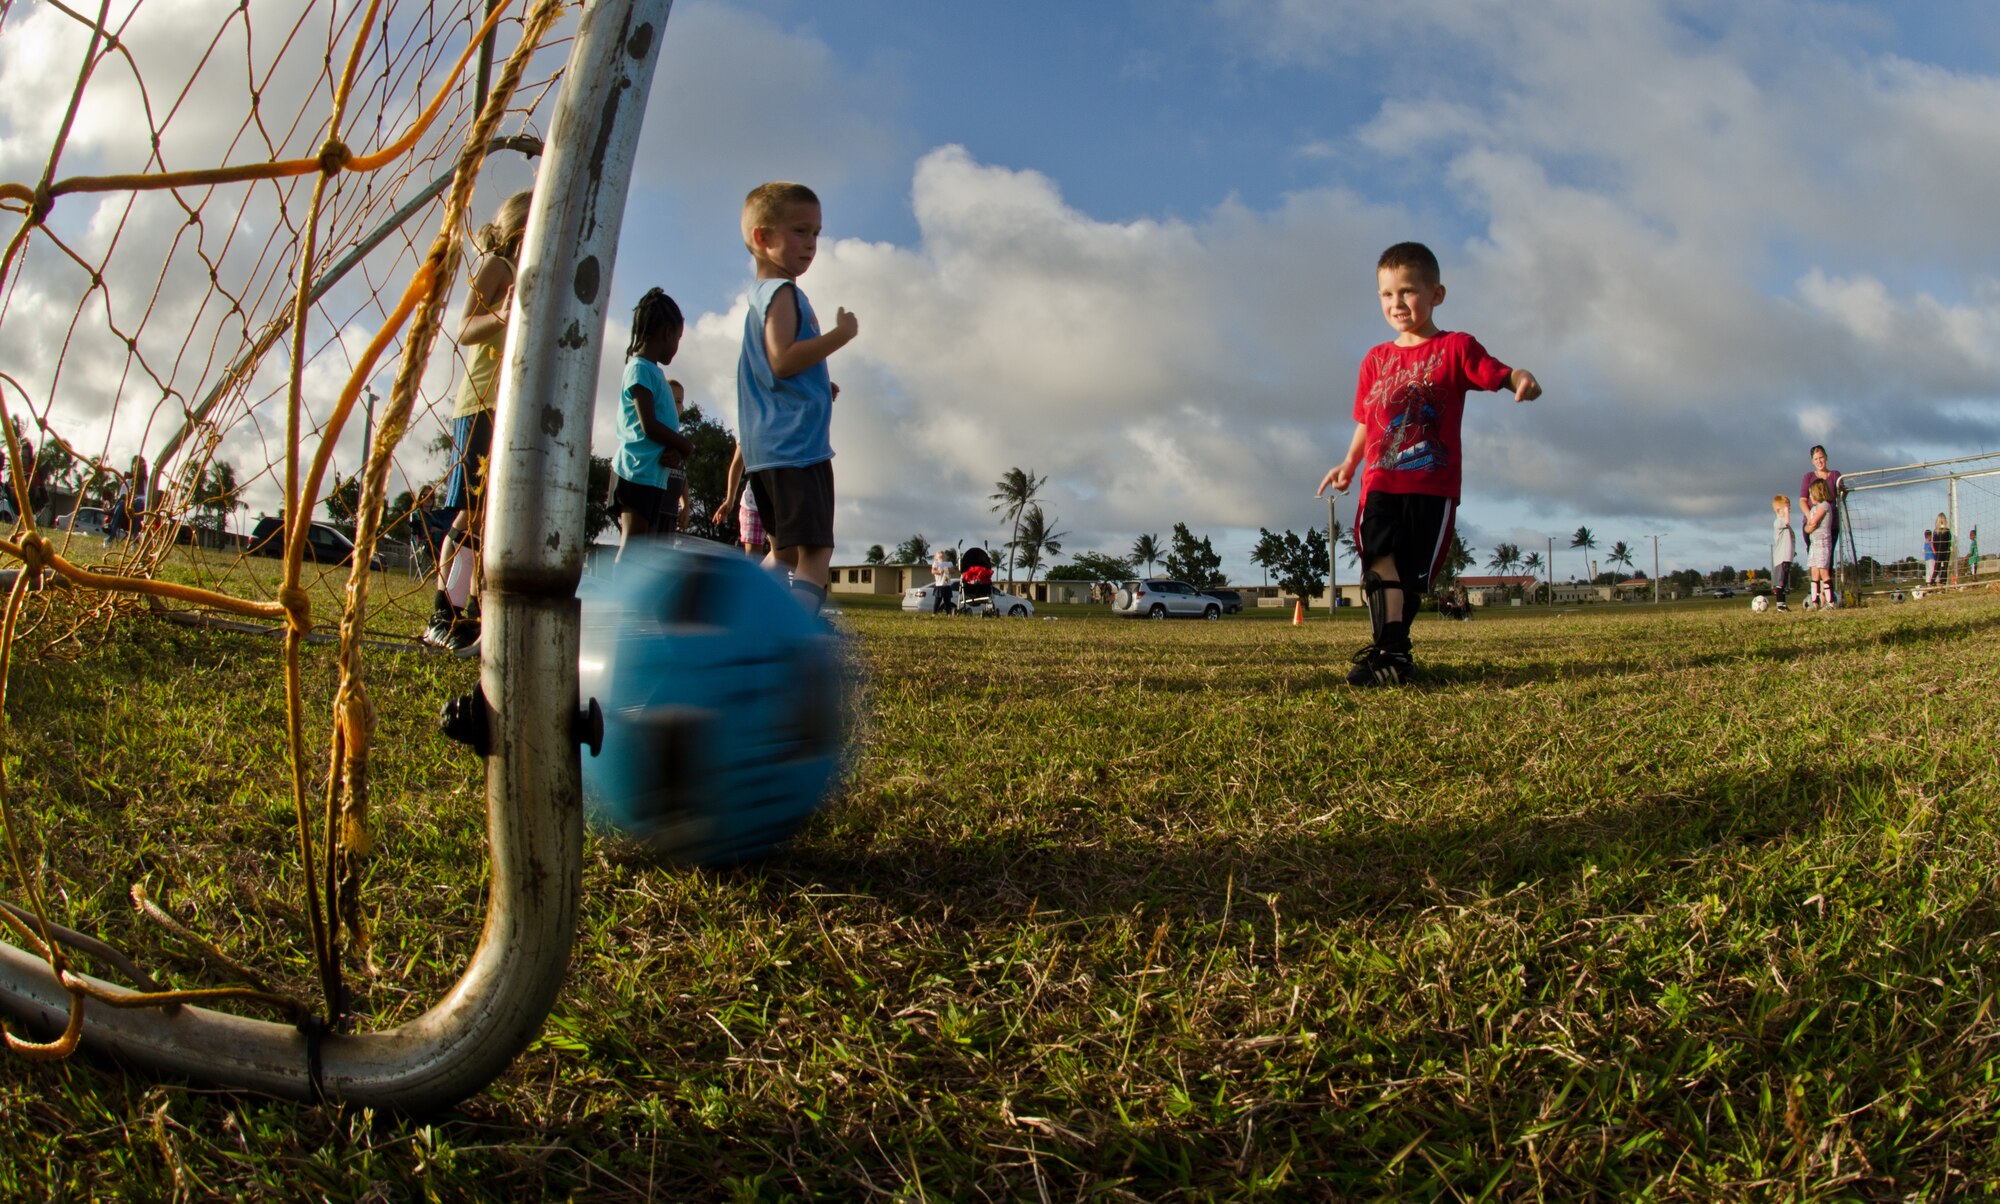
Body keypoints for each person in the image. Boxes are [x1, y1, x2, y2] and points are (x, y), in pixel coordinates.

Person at [1316, 241, 1540, 685]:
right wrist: (1349, 462)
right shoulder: (1376, 359)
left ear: (1436, 294)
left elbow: (1497, 371)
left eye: (1407, 291)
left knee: (1412, 579)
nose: (1397, 303)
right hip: (1381, 481)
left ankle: (1392, 654)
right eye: (1386, 294)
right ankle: (1393, 656)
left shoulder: (1456, 348)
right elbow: (1368, 419)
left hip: (1432, 484)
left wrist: (1521, 378)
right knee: (1378, 558)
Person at [735, 181, 857, 616]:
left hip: (767, 452)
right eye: (801, 231)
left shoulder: (758, 297)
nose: (811, 244)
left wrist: (819, 386)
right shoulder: (783, 293)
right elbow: (782, 359)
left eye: (816, 234)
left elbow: (773, 373)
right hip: (797, 449)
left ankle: (735, 612)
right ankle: (792, 637)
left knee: (783, 553)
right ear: (763, 238)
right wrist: (840, 336)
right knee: (816, 555)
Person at [423, 190, 530, 652]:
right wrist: (503, 314)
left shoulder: (522, 276)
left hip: (501, 406)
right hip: (478, 405)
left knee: (487, 519)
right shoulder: (498, 266)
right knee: (471, 513)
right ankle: (440, 615)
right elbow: (464, 328)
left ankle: (466, 615)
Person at [608, 288, 694, 556]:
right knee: (633, 546)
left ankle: (632, 598)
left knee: (642, 549)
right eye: (678, 338)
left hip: (651, 476)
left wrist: (675, 452)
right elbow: (649, 425)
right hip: (635, 472)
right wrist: (685, 445)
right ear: (667, 332)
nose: (677, 347)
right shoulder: (639, 369)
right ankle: (621, 599)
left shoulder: (654, 372)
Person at [1799, 445, 1842, 600]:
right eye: (1816, 459)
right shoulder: (1809, 477)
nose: (1819, 461)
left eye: (1821, 457)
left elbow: (1840, 496)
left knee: (1826, 562)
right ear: (1812, 461)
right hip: (1812, 524)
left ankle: (1827, 597)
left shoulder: (1835, 475)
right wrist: (1810, 519)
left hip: (1829, 526)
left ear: (1826, 457)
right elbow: (1803, 500)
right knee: (1815, 564)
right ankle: (1815, 598)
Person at [1803, 480, 1833, 607]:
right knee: (1814, 572)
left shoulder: (1825, 505)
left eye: (1811, 494)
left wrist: (1809, 527)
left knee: (1823, 572)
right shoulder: (1813, 509)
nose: (1810, 497)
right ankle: (1815, 602)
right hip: (1814, 544)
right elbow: (1807, 526)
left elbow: (1813, 523)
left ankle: (1830, 602)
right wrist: (1808, 528)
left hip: (1823, 544)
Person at [1769, 494, 1795, 612]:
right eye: (1787, 508)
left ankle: (1783, 604)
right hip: (1781, 558)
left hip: (1787, 557)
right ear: (1778, 510)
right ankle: (1780, 605)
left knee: (1784, 583)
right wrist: (1785, 513)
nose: (1789, 511)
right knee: (1780, 583)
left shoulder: (1786, 525)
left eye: (1789, 509)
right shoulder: (1778, 522)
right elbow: (1787, 521)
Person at [1931, 512, 1953, 587]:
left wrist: (1936, 552)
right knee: (1944, 568)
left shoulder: (1935, 532)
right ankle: (1942, 583)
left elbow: (1934, 543)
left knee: (1936, 568)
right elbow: (1949, 542)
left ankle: (1932, 582)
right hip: (1946, 552)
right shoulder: (1947, 531)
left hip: (1938, 553)